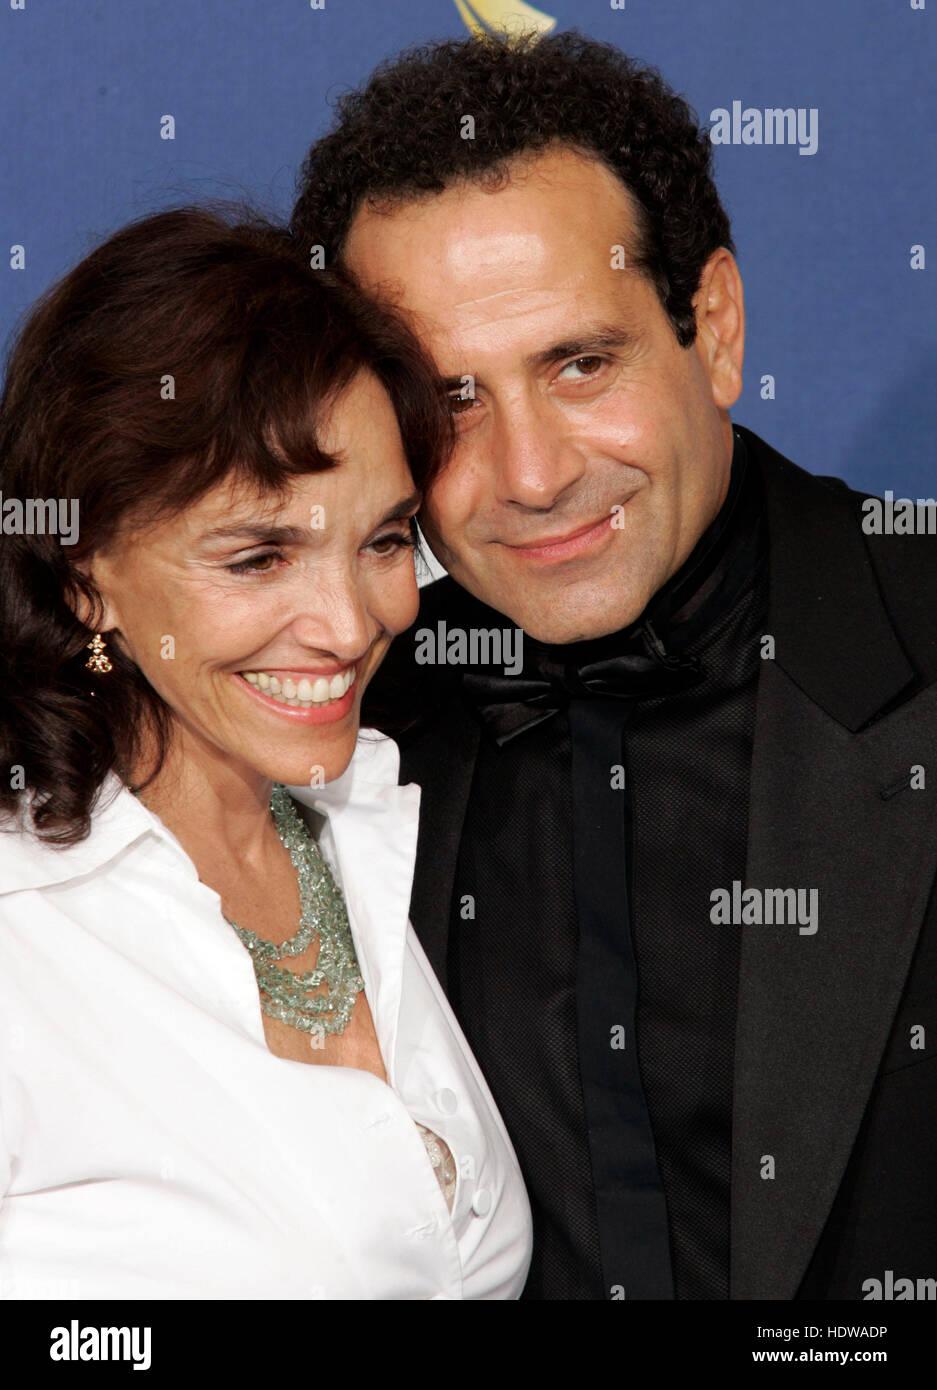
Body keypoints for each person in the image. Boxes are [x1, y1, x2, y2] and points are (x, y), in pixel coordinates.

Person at [291, 30, 937, 1300]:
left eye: (580, 364)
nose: (531, 476)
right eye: (451, 400)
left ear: (714, 328)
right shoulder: (322, 728)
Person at [0, 206, 532, 1299]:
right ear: (82, 569)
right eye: (257, 557)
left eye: (384, 540)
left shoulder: (374, 823)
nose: (347, 622)